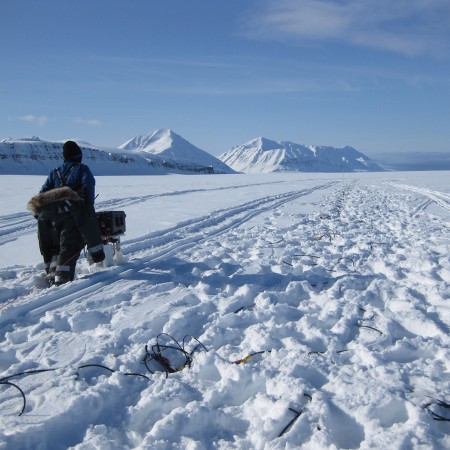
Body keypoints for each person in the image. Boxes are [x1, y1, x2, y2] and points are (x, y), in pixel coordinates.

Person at [27, 141, 105, 285]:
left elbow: (43, 193)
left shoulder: (55, 172)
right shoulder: (82, 169)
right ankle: (62, 279)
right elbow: (89, 192)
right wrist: (85, 209)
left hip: (50, 217)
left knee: (55, 247)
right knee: (69, 245)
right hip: (72, 215)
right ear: (78, 156)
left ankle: (51, 273)